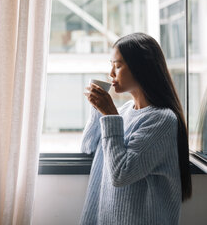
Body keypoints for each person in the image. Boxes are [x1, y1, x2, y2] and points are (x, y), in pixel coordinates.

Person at [79, 32, 192, 225]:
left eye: (118, 65)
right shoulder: (123, 112)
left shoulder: (162, 120)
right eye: (111, 65)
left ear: (141, 68)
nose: (111, 73)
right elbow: (88, 147)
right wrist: (99, 111)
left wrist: (109, 115)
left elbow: (121, 174)